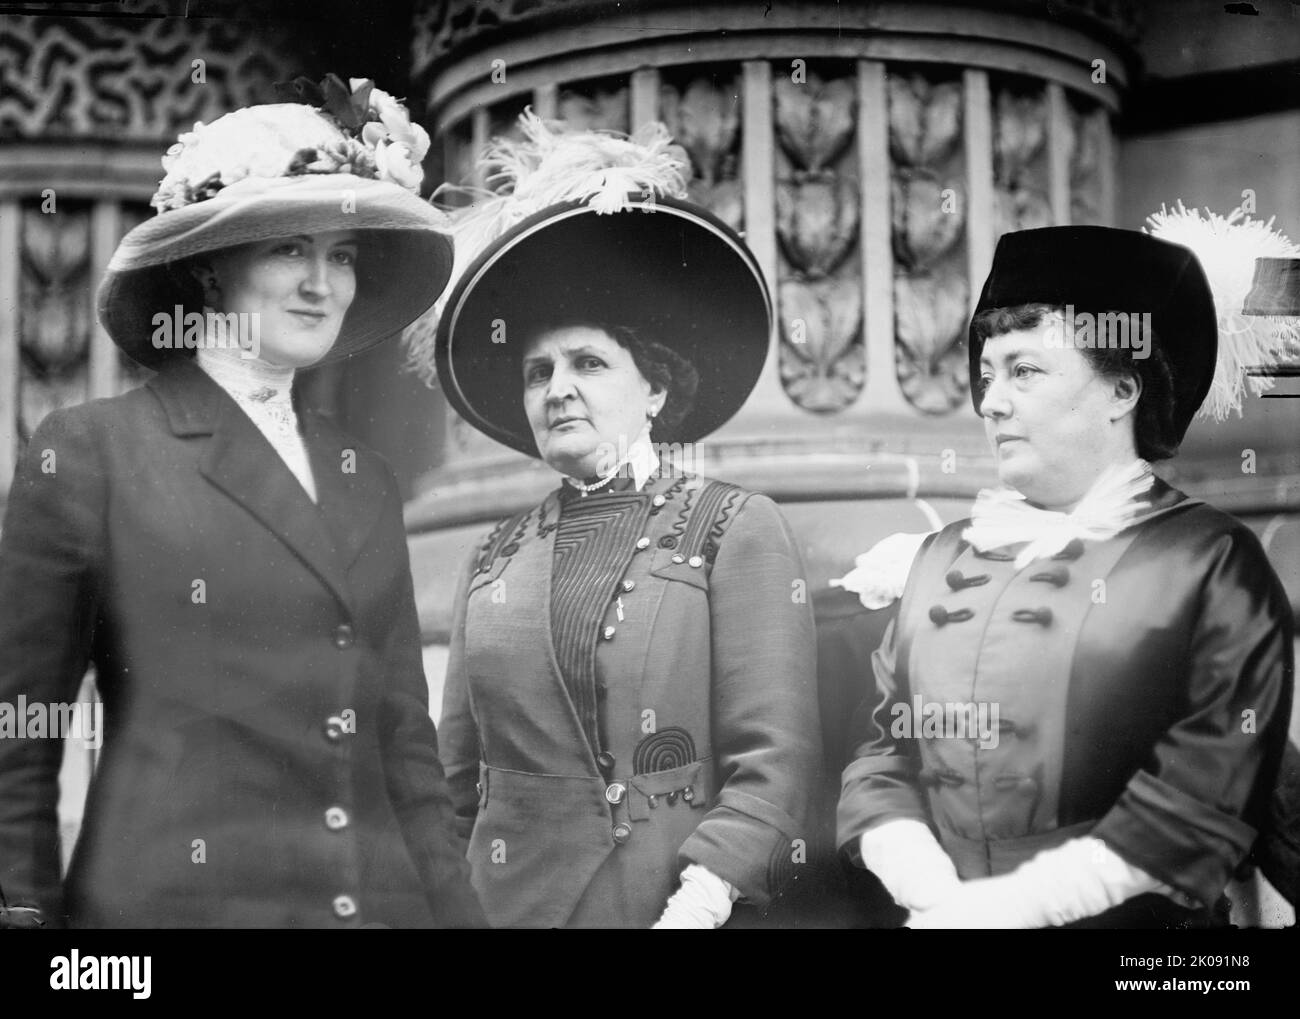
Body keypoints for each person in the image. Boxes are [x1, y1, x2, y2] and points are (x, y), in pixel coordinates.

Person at [0, 77, 485, 928]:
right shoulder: (93, 450)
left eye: (340, 255)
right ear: (210, 270)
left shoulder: (362, 475)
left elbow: (406, 745)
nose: (321, 284)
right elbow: (18, 733)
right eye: (288, 249)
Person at [415, 114, 822, 928]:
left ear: (656, 390)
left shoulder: (735, 527)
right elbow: (456, 785)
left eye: (588, 363)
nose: (557, 388)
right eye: (539, 372)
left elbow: (773, 762)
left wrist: (698, 904)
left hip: (668, 906)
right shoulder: (491, 559)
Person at [836, 226, 1294, 928]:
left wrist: (1001, 911)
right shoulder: (938, 556)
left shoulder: (1212, 561)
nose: (989, 400)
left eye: (1025, 371)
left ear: (1121, 389)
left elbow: (1203, 799)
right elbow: (886, 756)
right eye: (988, 374)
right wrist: (927, 887)